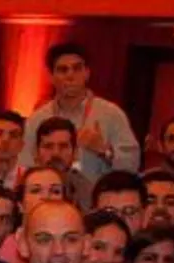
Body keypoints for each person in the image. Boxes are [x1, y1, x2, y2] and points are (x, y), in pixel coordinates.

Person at [23, 44, 140, 182]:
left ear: (87, 73)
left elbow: (132, 166)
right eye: (63, 70)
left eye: (77, 69)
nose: (70, 75)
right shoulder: (37, 119)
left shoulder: (111, 114)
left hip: (96, 200)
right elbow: (25, 165)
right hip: (50, 198)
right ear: (51, 76)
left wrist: (104, 151)